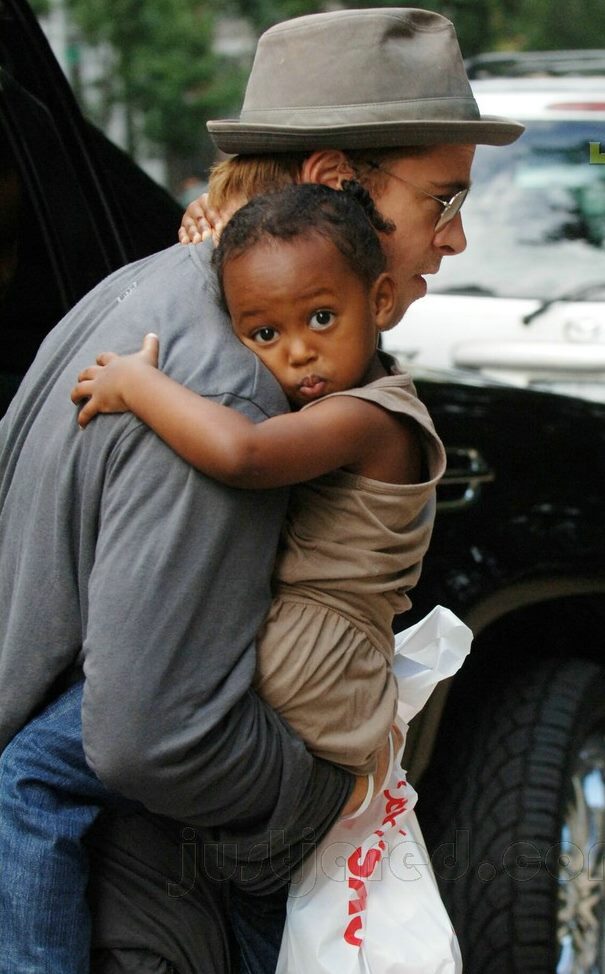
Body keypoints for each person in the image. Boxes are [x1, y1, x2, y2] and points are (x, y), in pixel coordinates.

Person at [0, 7, 523, 974]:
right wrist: (311, 806)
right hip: (155, 906)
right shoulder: (229, 380)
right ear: (337, 186)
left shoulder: (138, 293)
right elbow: (150, 742)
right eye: (441, 202)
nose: (452, 241)